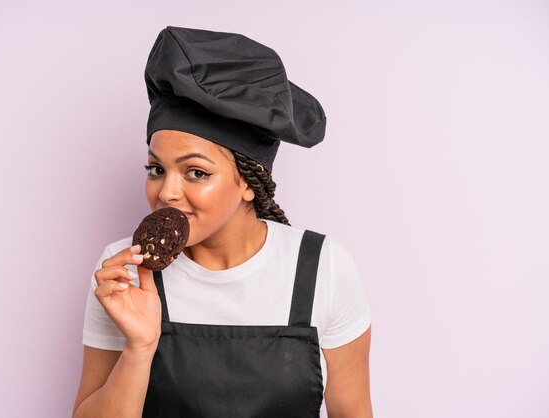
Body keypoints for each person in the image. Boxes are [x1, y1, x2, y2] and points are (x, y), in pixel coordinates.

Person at [73, 26, 373, 418]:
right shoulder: (123, 271)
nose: (166, 193)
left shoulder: (322, 268)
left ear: (249, 183)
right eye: (155, 168)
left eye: (196, 172)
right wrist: (139, 348)